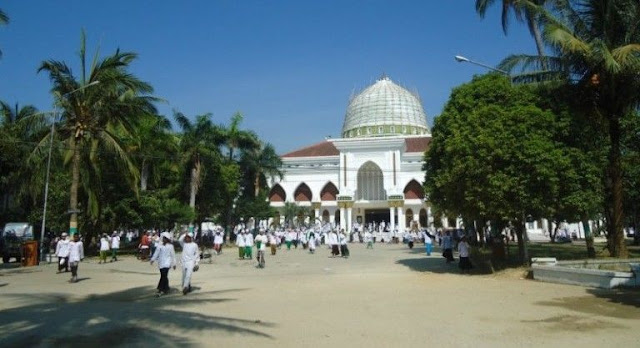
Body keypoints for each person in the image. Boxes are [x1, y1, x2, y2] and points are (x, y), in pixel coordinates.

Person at [150, 232, 177, 297]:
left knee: (164, 275)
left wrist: (174, 263)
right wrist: (152, 259)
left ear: (167, 239)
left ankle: (161, 289)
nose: (164, 240)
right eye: (163, 238)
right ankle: (166, 288)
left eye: (165, 239)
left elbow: (173, 255)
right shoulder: (160, 246)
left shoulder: (170, 246)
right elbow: (156, 253)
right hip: (161, 263)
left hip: (167, 263)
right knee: (163, 275)